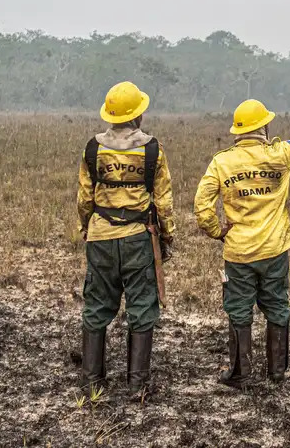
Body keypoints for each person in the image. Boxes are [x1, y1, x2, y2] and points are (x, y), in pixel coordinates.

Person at [195, 99, 290, 388]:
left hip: (239, 253)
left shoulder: (222, 162)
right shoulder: (281, 154)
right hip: (275, 249)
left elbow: (202, 206)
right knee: (277, 305)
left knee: (239, 310)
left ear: (237, 131)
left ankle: (241, 373)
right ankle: (276, 372)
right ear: (264, 126)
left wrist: (217, 231)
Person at [77, 81, 175, 396]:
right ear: (139, 115)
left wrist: (86, 227)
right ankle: (138, 384)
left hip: (100, 237)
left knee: (96, 305)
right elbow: (163, 200)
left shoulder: (93, 148)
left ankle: (92, 381)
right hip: (139, 237)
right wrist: (167, 237)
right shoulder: (152, 148)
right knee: (142, 306)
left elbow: (84, 199)